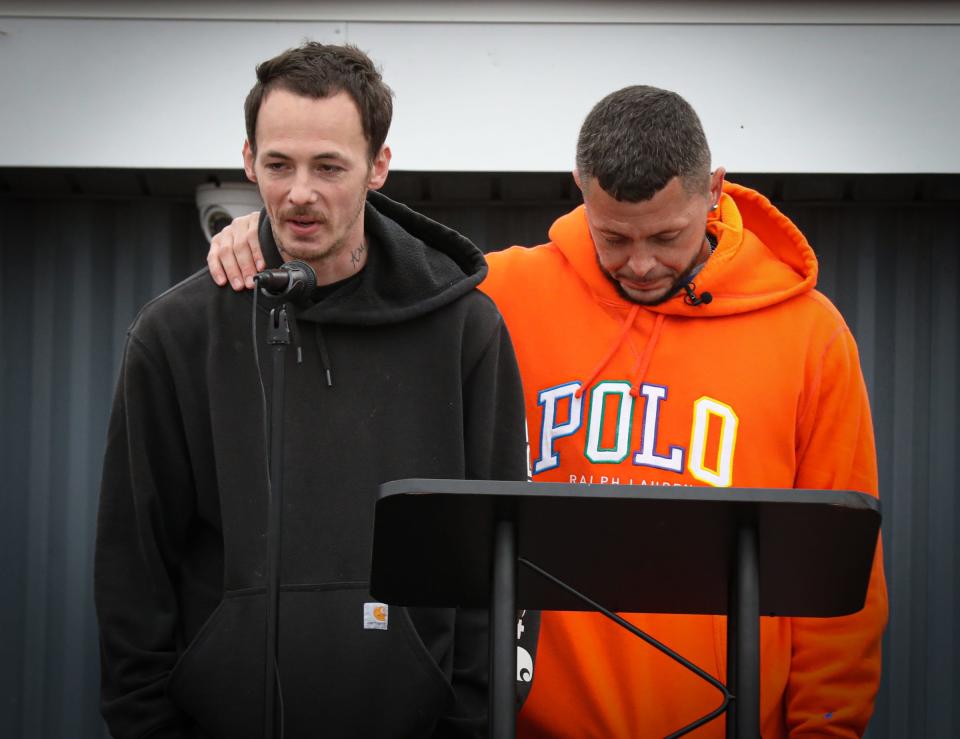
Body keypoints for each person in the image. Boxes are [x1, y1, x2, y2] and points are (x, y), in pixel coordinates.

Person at [207, 85, 888, 737]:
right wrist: (266, 237)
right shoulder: (503, 295)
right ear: (579, 189)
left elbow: (841, 572)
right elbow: (358, 268)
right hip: (524, 725)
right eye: (614, 238)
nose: (642, 263)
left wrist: (826, 728)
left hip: (735, 723)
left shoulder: (809, 336)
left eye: (667, 236)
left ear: (714, 191)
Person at [95, 42, 537, 739]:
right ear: (249, 161)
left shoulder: (464, 331)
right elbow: (133, 570)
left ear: (377, 167)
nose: (300, 192)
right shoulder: (175, 335)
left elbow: (505, 553)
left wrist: (472, 722)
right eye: (279, 165)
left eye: (329, 166)